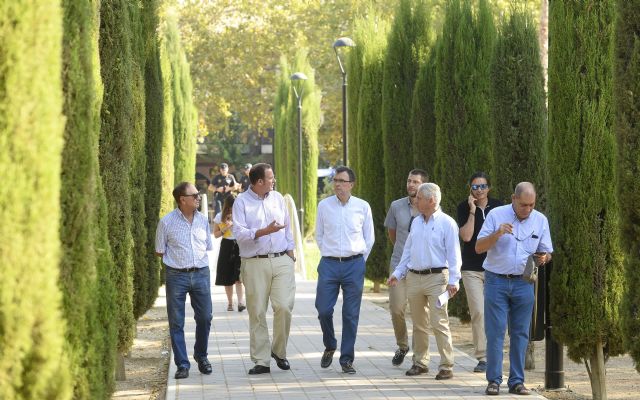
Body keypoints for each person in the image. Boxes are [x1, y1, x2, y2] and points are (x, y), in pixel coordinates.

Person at [476, 182, 553, 396]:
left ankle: (517, 382)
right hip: (496, 281)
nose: (528, 210)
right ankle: (493, 380)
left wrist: (544, 257)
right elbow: (479, 247)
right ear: (513, 198)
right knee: (496, 332)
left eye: (531, 205)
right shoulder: (496, 215)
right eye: (523, 205)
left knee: (520, 334)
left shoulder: (540, 220)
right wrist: (497, 234)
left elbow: (547, 252)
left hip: (524, 282)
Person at [387, 182, 461, 380]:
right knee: (419, 324)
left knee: (439, 322)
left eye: (419, 198)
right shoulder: (416, 222)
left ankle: (446, 365)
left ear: (432, 200)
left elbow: (454, 255)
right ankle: (420, 362)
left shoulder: (447, 223)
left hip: (438, 279)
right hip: (414, 278)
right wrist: (398, 273)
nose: (415, 201)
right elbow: (407, 251)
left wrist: (454, 280)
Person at [232, 163, 296, 375]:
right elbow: (239, 233)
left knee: (284, 306)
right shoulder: (241, 202)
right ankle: (261, 360)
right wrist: (262, 231)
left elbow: (287, 225)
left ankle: (279, 351)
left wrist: (290, 250)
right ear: (259, 182)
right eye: (270, 178)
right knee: (257, 311)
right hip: (254, 262)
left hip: (281, 260)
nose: (273, 180)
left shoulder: (278, 198)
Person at [315, 166, 374, 374]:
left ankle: (346, 359)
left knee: (350, 315)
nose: (337, 184)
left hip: (354, 265)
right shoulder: (324, 206)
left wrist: (358, 260)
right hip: (329, 264)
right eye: (335, 180)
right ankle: (330, 344)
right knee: (323, 309)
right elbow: (319, 235)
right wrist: (330, 253)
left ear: (351, 184)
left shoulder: (362, 206)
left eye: (341, 180)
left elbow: (369, 238)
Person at [155, 182, 213, 380]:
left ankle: (201, 356)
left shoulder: (203, 220)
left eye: (198, 194)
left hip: (201, 274)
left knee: (205, 318)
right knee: (176, 322)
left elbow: (207, 246)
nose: (198, 197)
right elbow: (159, 250)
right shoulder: (166, 222)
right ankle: (182, 364)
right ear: (182, 200)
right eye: (194, 195)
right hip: (176, 275)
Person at [455, 172, 503, 373]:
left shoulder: (499, 207)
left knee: (496, 314)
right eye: (475, 187)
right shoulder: (463, 207)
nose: (479, 190)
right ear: (470, 189)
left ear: (489, 188)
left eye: (483, 186)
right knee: (478, 312)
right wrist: (473, 211)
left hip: (495, 267)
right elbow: (466, 237)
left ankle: (496, 353)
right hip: (472, 268)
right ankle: (483, 357)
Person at [383, 169, 429, 366]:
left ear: (423, 186)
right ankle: (403, 345)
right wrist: (403, 253)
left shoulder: (429, 207)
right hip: (399, 266)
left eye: (415, 182)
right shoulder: (396, 206)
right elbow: (392, 234)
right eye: (409, 181)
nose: (411, 184)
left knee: (420, 315)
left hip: (422, 268)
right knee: (396, 308)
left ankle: (419, 357)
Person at [213, 194, 245, 312]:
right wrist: (225, 228)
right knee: (227, 276)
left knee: (238, 276)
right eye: (231, 207)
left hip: (239, 245)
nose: (232, 209)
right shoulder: (219, 217)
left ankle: (241, 302)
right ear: (227, 206)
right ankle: (230, 303)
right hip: (226, 245)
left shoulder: (241, 216)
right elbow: (215, 234)